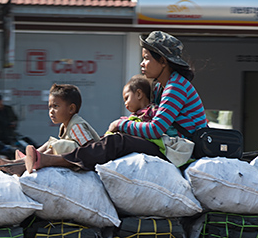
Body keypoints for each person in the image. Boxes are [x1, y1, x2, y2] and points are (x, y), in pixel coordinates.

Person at [24, 31, 207, 173]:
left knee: (117, 142)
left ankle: (50, 160)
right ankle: (27, 162)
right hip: (168, 144)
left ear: (163, 61)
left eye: (146, 58)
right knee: (114, 140)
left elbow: (155, 129)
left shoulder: (176, 87)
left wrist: (120, 124)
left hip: (180, 149)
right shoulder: (161, 87)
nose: (142, 63)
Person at [0, 83, 100, 173]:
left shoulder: (76, 125)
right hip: (75, 158)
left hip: (87, 161)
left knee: (60, 144)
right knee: (50, 143)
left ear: (71, 109)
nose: (51, 111)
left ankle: (29, 163)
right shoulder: (65, 125)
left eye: (56, 106)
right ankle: (19, 162)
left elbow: (90, 148)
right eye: (50, 107)